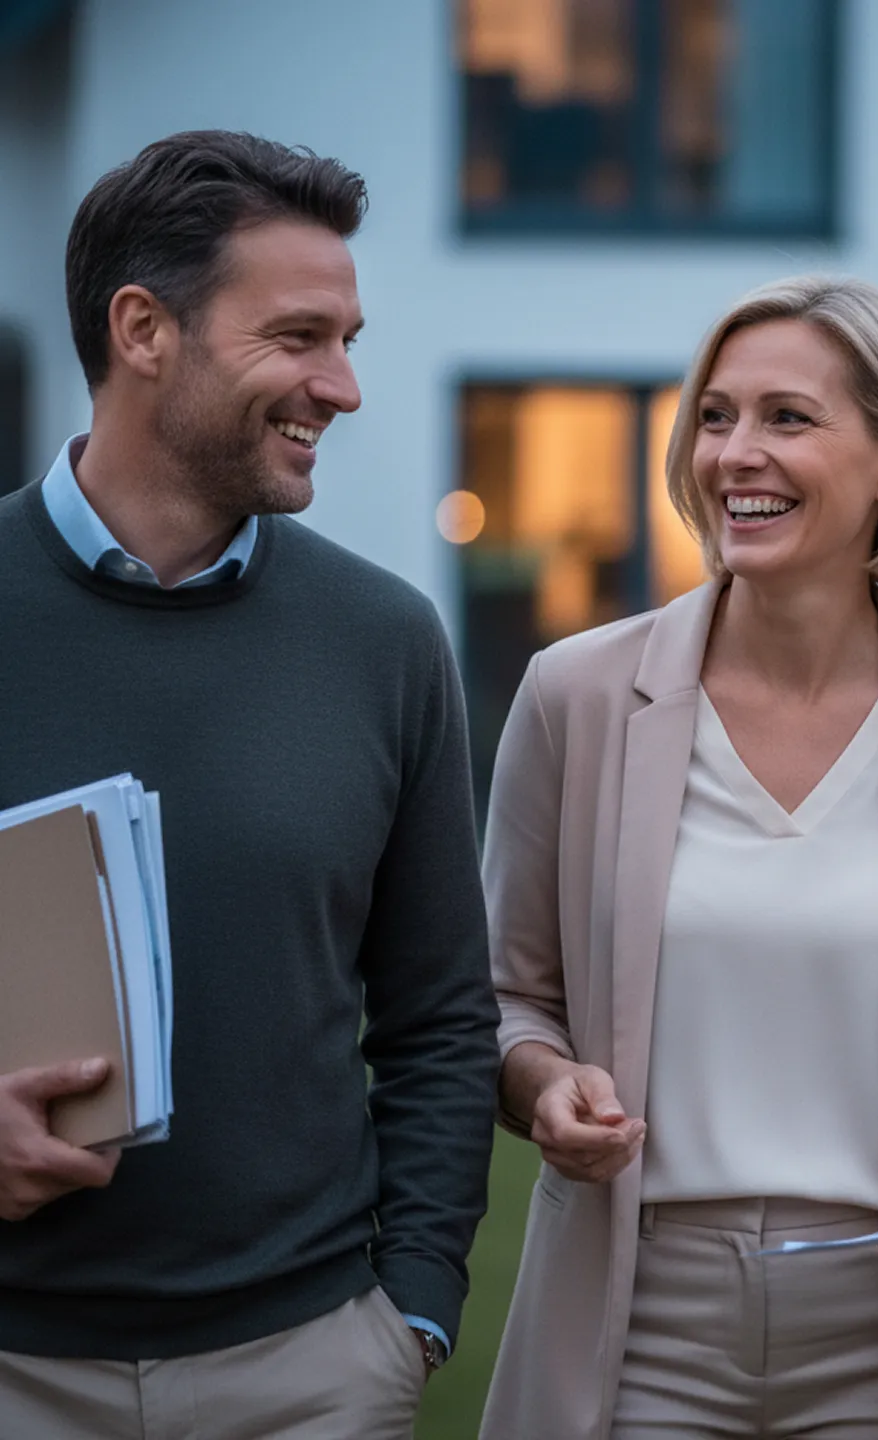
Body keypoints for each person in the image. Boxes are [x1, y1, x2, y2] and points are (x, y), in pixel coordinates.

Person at [479, 275, 878, 1439]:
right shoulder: (575, 698)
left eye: (786, 419)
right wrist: (544, 1087)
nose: (733, 455)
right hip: (634, 1320)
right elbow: (503, 1000)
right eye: (714, 416)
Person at [0, 131, 499, 1439]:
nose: (341, 386)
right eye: (298, 337)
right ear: (143, 329)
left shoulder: (387, 643)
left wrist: (416, 1311)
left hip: (310, 1374)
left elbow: (442, 1016)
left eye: (349, 339)